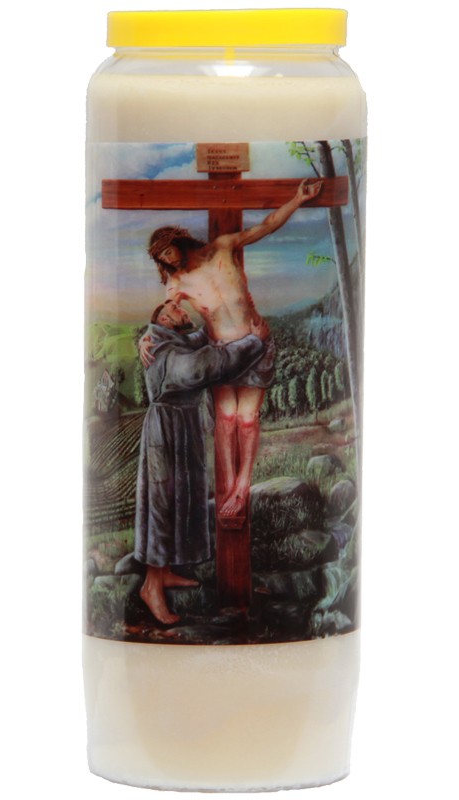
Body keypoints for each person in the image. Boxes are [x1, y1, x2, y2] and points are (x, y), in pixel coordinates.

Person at [147, 178, 322, 526]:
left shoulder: (223, 247)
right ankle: (228, 488)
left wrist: (298, 199)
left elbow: (267, 226)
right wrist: (146, 338)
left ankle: (243, 487)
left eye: (167, 251)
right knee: (226, 421)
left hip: (256, 343)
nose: (167, 260)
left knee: (248, 419)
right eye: (161, 258)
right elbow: (164, 313)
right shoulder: (177, 283)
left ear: (178, 242)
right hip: (223, 353)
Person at [134, 300, 269, 624]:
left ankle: (165, 572)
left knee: (180, 502)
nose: (182, 307)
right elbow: (206, 366)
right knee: (162, 505)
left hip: (181, 428)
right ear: (164, 318)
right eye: (174, 307)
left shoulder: (169, 340)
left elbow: (199, 339)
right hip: (165, 433)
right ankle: (151, 586)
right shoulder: (161, 350)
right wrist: (255, 342)